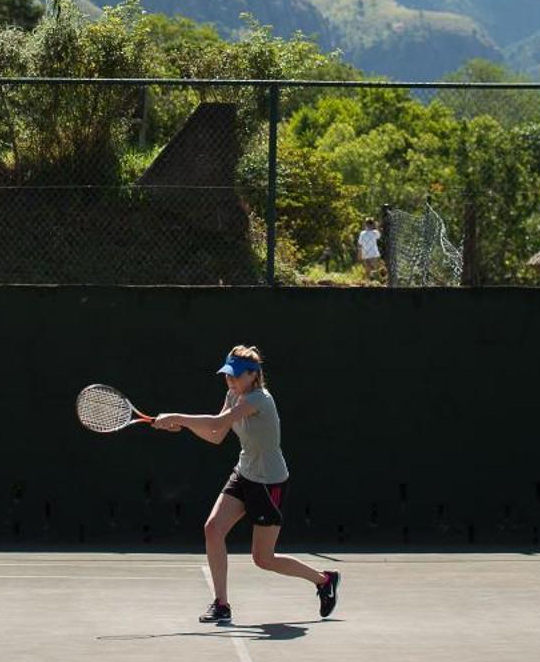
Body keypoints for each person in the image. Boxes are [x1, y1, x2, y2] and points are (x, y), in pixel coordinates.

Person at [153, 345, 339, 624]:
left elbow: (218, 422)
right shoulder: (232, 394)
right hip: (244, 473)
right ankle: (221, 604)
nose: (230, 380)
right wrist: (186, 427)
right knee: (213, 529)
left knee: (263, 559)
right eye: (228, 375)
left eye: (236, 376)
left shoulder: (260, 399)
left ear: (253, 375)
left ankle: (324, 580)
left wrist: (177, 417)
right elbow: (216, 435)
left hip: (269, 482)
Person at [356, 216, 383, 281]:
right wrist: (377, 226)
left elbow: (360, 244)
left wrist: (359, 252)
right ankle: (373, 278)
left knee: (368, 268)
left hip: (366, 253)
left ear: (365, 224)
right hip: (374, 253)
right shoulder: (375, 232)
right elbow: (379, 235)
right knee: (373, 267)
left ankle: (370, 279)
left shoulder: (362, 233)